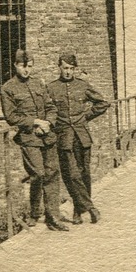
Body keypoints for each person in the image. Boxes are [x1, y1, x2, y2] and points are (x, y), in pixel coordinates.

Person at [1, 48, 68, 231]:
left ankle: (52, 216)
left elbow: (51, 107)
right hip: (29, 137)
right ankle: (34, 211)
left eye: (29, 66)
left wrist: (48, 123)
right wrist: (34, 122)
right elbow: (11, 116)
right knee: (38, 173)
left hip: (47, 136)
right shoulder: (8, 88)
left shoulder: (39, 84)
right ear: (15, 65)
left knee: (52, 174)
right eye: (23, 66)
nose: (26, 70)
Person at [48, 51, 109, 224]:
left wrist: (86, 116)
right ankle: (90, 208)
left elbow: (102, 103)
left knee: (84, 174)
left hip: (82, 137)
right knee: (71, 175)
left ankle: (77, 211)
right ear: (59, 67)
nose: (68, 72)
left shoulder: (83, 85)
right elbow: (47, 109)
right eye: (65, 68)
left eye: (71, 69)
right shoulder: (51, 88)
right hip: (64, 137)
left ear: (75, 69)